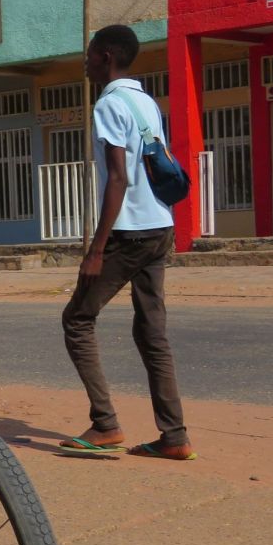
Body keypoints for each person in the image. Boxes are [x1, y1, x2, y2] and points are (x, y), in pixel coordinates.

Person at [60, 24, 196, 461]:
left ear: (106, 56)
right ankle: (174, 437)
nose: (85, 61)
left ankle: (105, 425)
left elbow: (118, 178)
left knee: (78, 319)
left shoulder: (108, 104)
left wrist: (96, 250)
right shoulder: (145, 101)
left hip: (131, 232)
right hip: (160, 227)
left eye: (89, 53)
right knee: (152, 332)